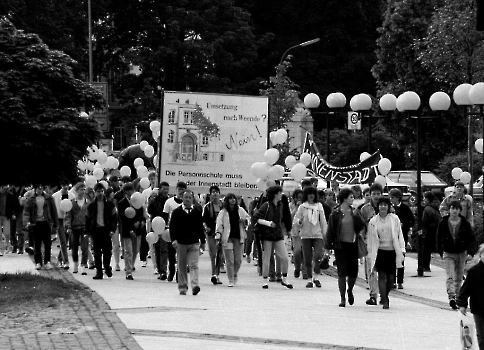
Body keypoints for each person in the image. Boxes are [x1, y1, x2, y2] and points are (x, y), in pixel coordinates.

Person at [326, 188, 366, 307]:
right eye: (351, 197)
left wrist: (356, 216)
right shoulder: (335, 213)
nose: (353, 199)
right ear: (344, 198)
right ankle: (342, 298)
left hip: (352, 244)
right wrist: (327, 248)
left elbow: (361, 226)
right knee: (342, 272)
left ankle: (350, 290)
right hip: (340, 246)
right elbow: (330, 231)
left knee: (353, 272)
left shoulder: (355, 211)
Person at [436, 200, 476, 310]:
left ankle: (458, 298)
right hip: (448, 252)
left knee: (459, 277)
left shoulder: (465, 224)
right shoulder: (443, 223)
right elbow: (439, 238)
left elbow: (471, 238)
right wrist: (440, 250)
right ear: (449, 210)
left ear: (460, 211)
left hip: (461, 252)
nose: (454, 211)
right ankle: (452, 296)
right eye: (452, 208)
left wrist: (471, 252)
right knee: (450, 276)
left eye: (457, 209)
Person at [367, 197, 405, 309]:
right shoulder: (373, 221)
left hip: (392, 251)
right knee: (382, 276)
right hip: (380, 252)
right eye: (381, 204)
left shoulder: (394, 219)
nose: (383, 207)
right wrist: (370, 253)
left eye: (385, 204)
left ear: (389, 207)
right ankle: (384, 300)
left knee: (391, 279)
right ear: (377, 206)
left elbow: (399, 234)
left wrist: (402, 249)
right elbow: (370, 239)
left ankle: (385, 294)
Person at [253, 185, 293, 289]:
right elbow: (256, 218)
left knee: (284, 257)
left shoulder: (281, 205)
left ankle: (284, 278)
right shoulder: (266, 205)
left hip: (278, 235)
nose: (281, 194)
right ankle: (265, 279)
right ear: (275, 194)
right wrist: (267, 223)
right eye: (280, 192)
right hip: (267, 235)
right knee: (266, 257)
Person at [169, 190, 206, 295]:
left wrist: (202, 241)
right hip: (181, 243)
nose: (188, 199)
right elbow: (172, 227)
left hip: (194, 242)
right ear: (182, 198)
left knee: (194, 264)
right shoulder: (177, 212)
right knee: (181, 265)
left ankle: (195, 285)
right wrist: (173, 240)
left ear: (192, 199)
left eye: (190, 197)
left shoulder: (197, 212)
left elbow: (200, 227)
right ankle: (182, 287)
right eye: (186, 197)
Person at [293, 186, 327, 288]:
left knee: (318, 255)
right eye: (309, 194)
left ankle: (316, 277)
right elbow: (296, 220)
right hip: (306, 235)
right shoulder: (302, 207)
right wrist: (299, 222)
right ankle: (309, 279)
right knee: (307, 258)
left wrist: (325, 234)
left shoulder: (319, 206)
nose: (311, 195)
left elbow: (323, 221)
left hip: (317, 235)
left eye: (313, 193)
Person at [215, 193, 250, 287]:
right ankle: (230, 279)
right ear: (227, 200)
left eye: (234, 198)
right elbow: (219, 225)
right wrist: (218, 236)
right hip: (227, 238)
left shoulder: (240, 210)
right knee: (229, 260)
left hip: (239, 238)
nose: (232, 200)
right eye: (230, 198)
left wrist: (244, 221)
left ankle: (234, 273)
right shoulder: (223, 212)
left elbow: (248, 219)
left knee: (238, 260)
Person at [85, 183, 118, 280]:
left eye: (102, 191)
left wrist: (112, 229)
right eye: (98, 191)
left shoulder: (109, 204)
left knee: (107, 251)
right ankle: (99, 271)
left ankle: (107, 267)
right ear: (95, 192)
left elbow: (114, 218)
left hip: (106, 230)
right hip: (95, 230)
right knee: (96, 252)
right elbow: (87, 218)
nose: (100, 193)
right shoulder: (91, 205)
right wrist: (87, 231)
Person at [359, 182, 384, 306]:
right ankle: (373, 294)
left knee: (384, 270)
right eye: (373, 194)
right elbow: (361, 225)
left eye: (378, 194)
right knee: (371, 269)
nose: (376, 196)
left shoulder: (386, 207)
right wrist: (363, 238)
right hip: (370, 241)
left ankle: (384, 294)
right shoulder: (365, 209)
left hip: (384, 242)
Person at [23, 184, 58, 270]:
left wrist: (55, 224)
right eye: (38, 188)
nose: (40, 190)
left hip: (46, 222)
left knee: (47, 244)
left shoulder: (48, 198)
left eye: (41, 188)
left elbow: (54, 211)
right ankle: (38, 262)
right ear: (35, 189)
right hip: (36, 223)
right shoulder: (31, 199)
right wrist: (26, 222)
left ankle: (47, 261)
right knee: (37, 244)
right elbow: (26, 211)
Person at [118, 182, 148, 280]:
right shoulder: (122, 203)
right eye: (129, 190)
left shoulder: (138, 200)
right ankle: (128, 271)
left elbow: (142, 213)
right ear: (126, 192)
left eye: (132, 190)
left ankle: (131, 265)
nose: (131, 192)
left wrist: (141, 221)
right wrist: (130, 228)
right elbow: (123, 218)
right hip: (127, 230)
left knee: (136, 250)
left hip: (138, 229)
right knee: (128, 251)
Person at [457, 243, 484, 350]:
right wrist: (462, 304)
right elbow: (465, 289)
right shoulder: (474, 272)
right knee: (481, 334)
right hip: (478, 308)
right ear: (480, 255)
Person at [389, 188, 415, 289]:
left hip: (402, 237)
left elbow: (411, 220)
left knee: (400, 259)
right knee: (391, 260)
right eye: (390, 197)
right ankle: (392, 281)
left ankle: (400, 281)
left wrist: (404, 225)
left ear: (398, 198)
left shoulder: (405, 208)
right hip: (390, 237)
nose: (391, 199)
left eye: (393, 197)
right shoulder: (389, 208)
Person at [162, 181, 187, 282]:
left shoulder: (188, 202)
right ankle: (171, 270)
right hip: (171, 230)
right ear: (176, 190)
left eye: (183, 190)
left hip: (184, 231)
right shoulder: (169, 202)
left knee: (181, 254)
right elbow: (164, 216)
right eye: (179, 189)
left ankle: (179, 273)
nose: (181, 192)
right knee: (171, 253)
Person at [64, 182, 90, 274]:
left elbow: (90, 216)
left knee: (84, 247)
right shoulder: (72, 203)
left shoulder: (87, 203)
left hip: (84, 227)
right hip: (74, 227)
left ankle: (83, 265)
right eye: (81, 189)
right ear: (77, 191)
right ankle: (75, 263)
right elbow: (69, 216)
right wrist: (69, 226)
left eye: (84, 189)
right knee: (74, 247)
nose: (82, 191)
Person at [147, 182, 170, 280]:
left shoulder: (169, 201)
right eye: (163, 189)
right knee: (157, 249)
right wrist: (151, 201)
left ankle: (164, 271)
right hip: (155, 226)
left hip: (165, 227)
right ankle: (159, 269)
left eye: (167, 189)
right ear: (159, 189)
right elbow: (149, 211)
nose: (165, 191)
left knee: (164, 249)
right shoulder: (154, 199)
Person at [202, 185, 224, 285]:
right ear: (210, 195)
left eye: (216, 192)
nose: (215, 194)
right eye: (213, 192)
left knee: (220, 254)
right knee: (213, 254)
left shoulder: (223, 206)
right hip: (211, 233)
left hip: (222, 233)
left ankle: (217, 273)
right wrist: (206, 227)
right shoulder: (207, 207)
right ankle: (214, 273)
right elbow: (203, 220)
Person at [52, 184, 75, 269]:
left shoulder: (72, 196)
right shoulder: (55, 196)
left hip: (68, 220)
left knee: (66, 241)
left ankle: (60, 259)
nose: (65, 186)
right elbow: (53, 209)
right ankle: (66, 261)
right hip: (59, 220)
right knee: (63, 241)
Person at [421, 191, 442, 272]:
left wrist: (423, 231)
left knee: (426, 250)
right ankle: (426, 266)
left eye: (424, 198)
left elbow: (424, 222)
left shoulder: (427, 209)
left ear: (427, 199)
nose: (423, 200)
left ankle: (425, 266)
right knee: (429, 249)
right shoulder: (434, 208)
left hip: (429, 231)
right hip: (435, 231)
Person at [290, 189, 304, 278]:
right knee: (297, 251)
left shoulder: (306, 206)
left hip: (305, 231)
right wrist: (296, 208)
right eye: (298, 197)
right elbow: (290, 217)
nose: (299, 199)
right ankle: (297, 267)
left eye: (301, 198)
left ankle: (305, 271)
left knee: (306, 252)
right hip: (295, 232)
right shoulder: (291, 206)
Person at [0, 185, 16, 255]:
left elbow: (12, 206)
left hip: (7, 215)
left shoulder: (10, 195)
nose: (4, 189)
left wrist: (13, 214)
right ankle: (1, 249)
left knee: (7, 233)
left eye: (5, 188)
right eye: (3, 188)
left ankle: (8, 245)